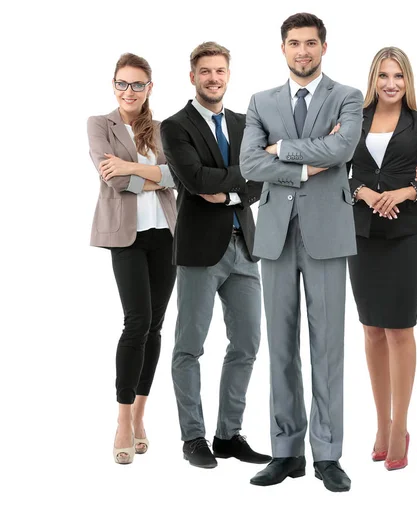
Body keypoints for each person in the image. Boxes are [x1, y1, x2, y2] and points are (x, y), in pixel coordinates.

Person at [240, 12, 363, 493]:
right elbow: (251, 162)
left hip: (329, 233)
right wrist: (305, 165)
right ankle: (285, 451)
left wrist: (282, 150)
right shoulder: (260, 100)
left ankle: (327, 454)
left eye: (311, 43)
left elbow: (343, 147)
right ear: (283, 48)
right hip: (274, 234)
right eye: (294, 43)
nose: (303, 51)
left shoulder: (348, 97)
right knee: (282, 347)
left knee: (328, 346)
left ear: (324, 47)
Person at [160, 42, 270, 470]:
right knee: (189, 346)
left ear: (228, 74)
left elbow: (262, 180)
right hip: (200, 252)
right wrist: (242, 180)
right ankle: (193, 437)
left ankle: (228, 434)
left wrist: (224, 190)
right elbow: (192, 177)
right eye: (205, 71)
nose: (213, 78)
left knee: (246, 344)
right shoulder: (176, 126)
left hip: (245, 248)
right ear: (192, 77)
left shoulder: (246, 124)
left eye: (220, 71)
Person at [347, 47, 417, 471]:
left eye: (398, 76)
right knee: (371, 329)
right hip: (362, 234)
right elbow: (338, 170)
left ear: (407, 81)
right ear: (374, 78)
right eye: (384, 75)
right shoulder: (354, 119)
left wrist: (404, 193)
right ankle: (382, 424)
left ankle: (402, 424)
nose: (390, 83)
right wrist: (364, 192)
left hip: (405, 234)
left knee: (400, 330)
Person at [87, 53, 177, 464]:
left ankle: (141, 414)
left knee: (155, 326)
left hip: (167, 235)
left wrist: (146, 171)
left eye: (137, 84)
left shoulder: (161, 129)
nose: (129, 91)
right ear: (114, 85)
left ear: (149, 88)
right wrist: (149, 174)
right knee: (136, 321)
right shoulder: (99, 125)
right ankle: (122, 419)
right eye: (122, 83)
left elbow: (178, 177)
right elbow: (115, 178)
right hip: (126, 237)